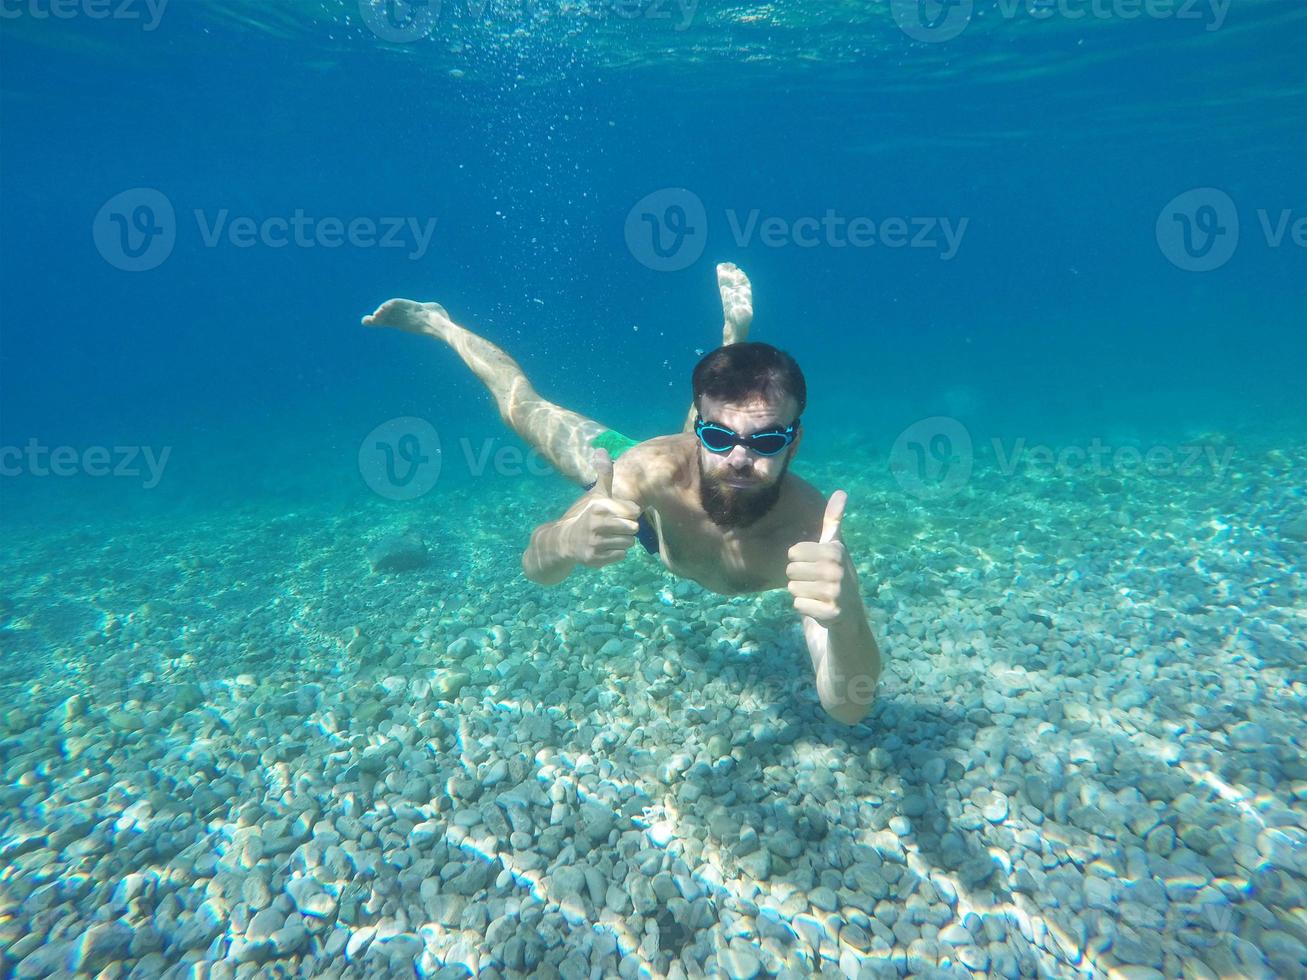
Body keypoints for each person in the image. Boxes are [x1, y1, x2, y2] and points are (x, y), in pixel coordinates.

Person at [362, 263, 881, 724]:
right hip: (655, 504)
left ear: (795, 441)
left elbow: (848, 707)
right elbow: (535, 566)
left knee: (711, 447)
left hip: (683, 469)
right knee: (523, 408)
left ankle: (731, 343)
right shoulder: (641, 470)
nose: (741, 458)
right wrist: (565, 542)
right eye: (719, 436)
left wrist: (848, 614)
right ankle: (441, 323)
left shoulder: (810, 536)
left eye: (766, 439)